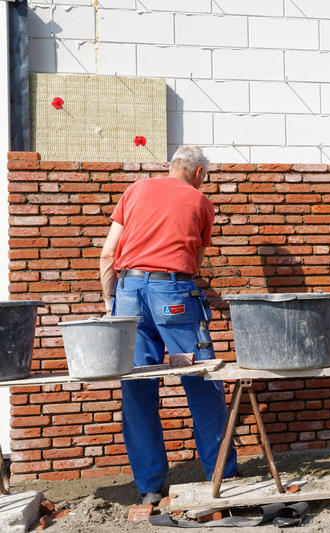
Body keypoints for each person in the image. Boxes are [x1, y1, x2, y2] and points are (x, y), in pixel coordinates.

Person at [99, 145, 237, 505]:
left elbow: (108, 254)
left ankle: (149, 487)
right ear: (199, 173)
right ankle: (222, 478)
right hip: (173, 293)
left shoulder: (136, 189)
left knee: (138, 387)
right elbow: (196, 262)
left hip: (128, 292)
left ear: (170, 166)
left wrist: (112, 304)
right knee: (202, 380)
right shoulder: (200, 201)